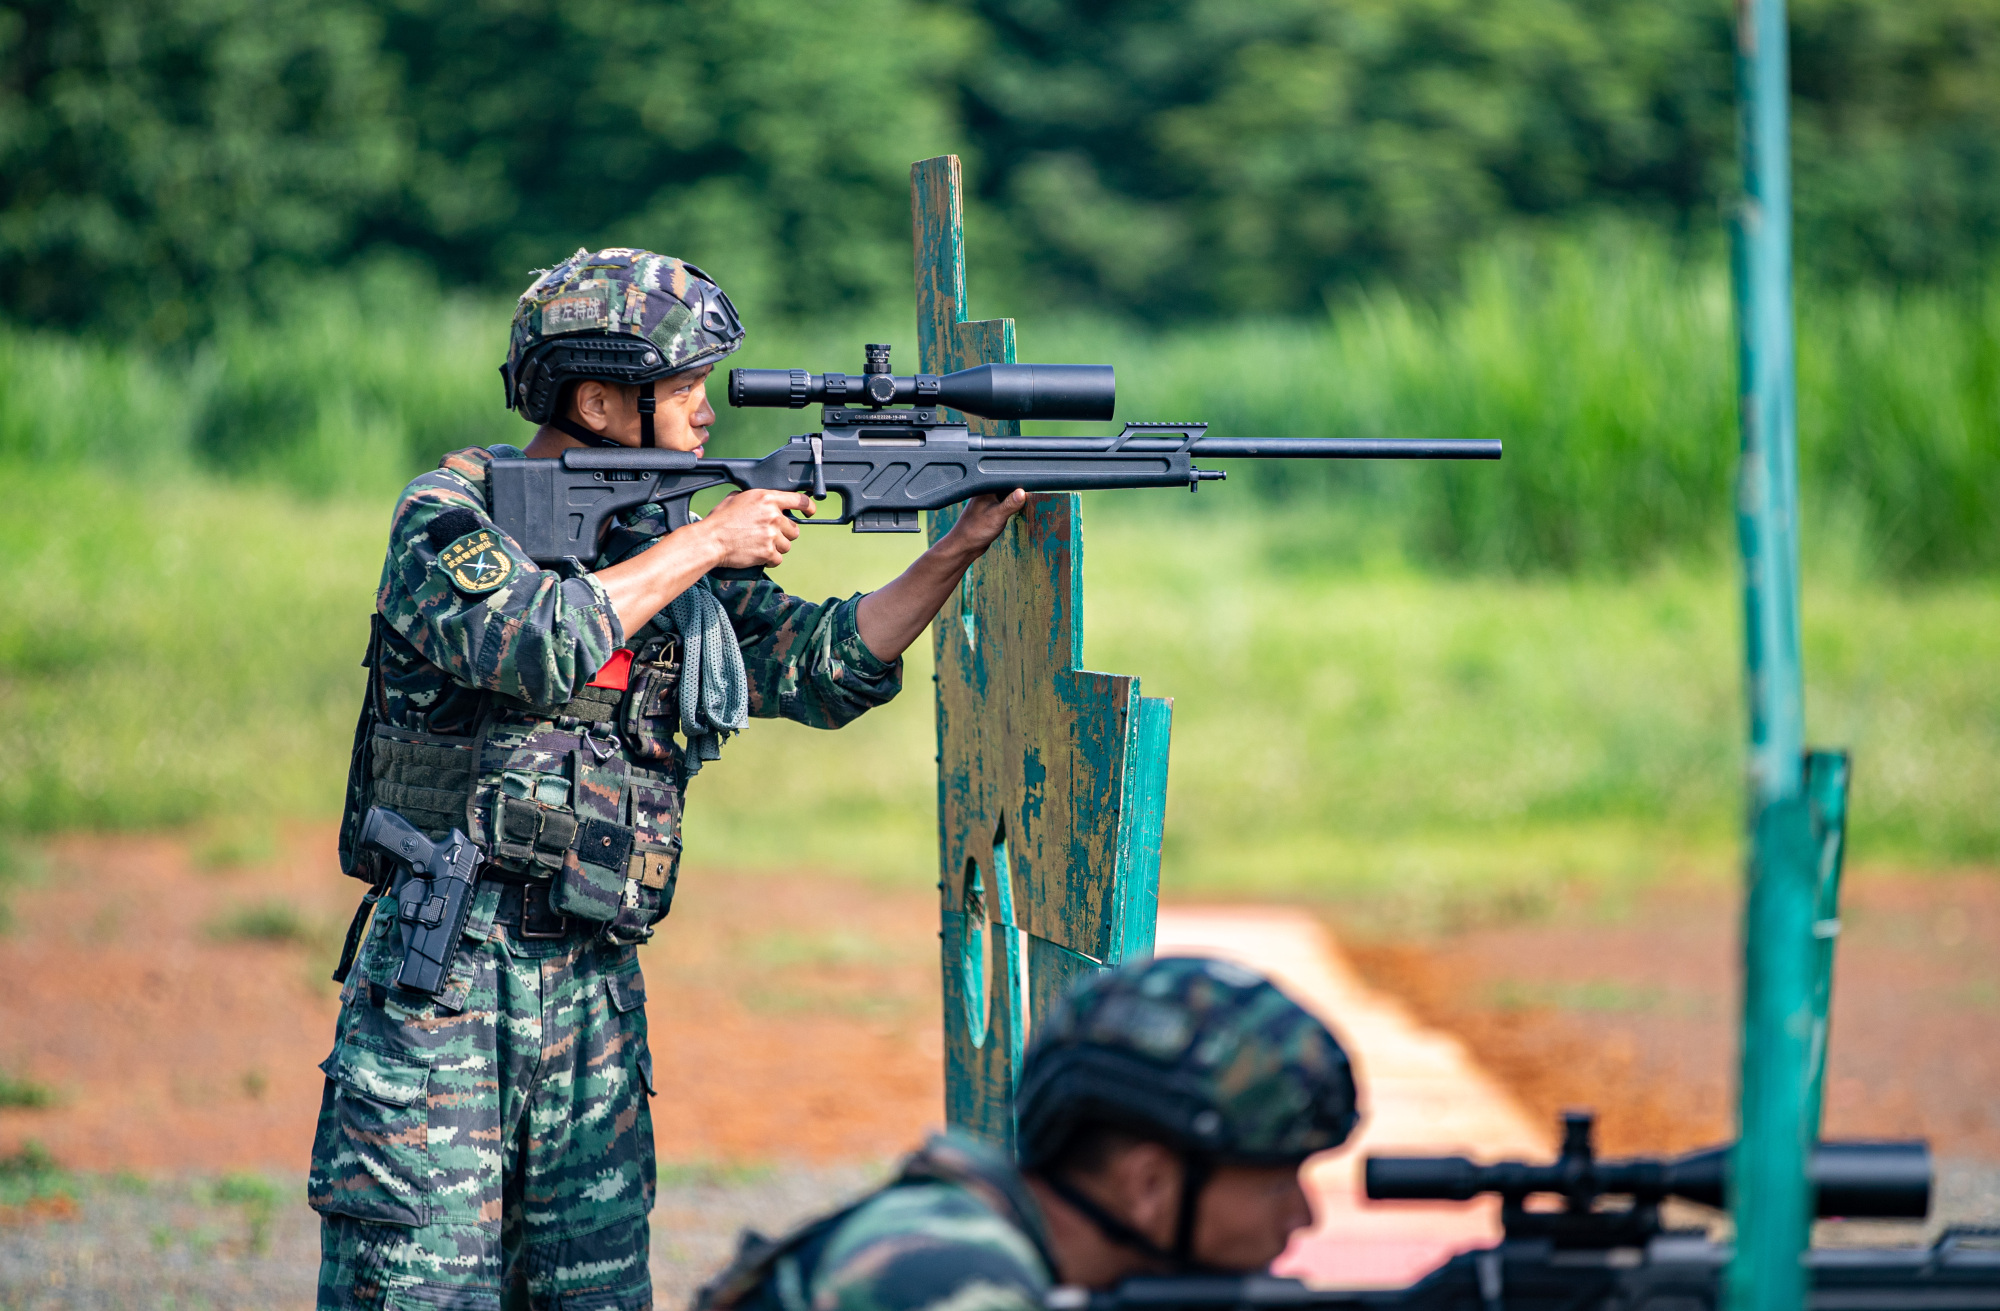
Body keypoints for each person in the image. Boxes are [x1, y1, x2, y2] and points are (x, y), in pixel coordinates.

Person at [309, 247, 1027, 1311]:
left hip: (594, 985)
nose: (704, 412)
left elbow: (821, 667)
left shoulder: (657, 535)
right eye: (682, 387)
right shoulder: (453, 513)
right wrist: (705, 542)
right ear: (598, 402)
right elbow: (533, 642)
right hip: (445, 977)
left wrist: (951, 551)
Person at [697, 955, 1362, 1311]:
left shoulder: (997, 1239)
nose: (1304, 1214)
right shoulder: (952, 1273)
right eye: (1277, 1178)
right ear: (1148, 1184)